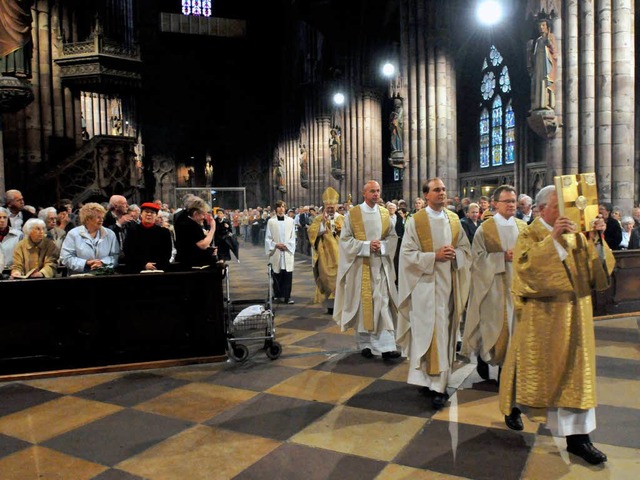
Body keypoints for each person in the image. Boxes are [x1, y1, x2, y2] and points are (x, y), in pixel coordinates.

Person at [499, 185, 615, 465]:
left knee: (576, 377)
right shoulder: (530, 233)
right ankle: (514, 406)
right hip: (545, 319)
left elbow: (598, 275)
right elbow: (525, 276)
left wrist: (595, 237)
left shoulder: (576, 233)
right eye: (557, 207)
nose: (565, 213)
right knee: (536, 376)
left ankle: (579, 439)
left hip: (577, 316)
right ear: (541, 210)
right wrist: (553, 239)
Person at [396, 177, 471, 409]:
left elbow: (465, 250)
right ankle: (427, 379)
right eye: (436, 190)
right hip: (424, 287)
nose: (442, 193)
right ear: (426, 195)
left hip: (448, 286)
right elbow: (407, 255)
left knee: (444, 333)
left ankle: (440, 385)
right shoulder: (415, 221)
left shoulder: (454, 219)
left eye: (444, 189)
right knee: (426, 332)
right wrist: (433, 257)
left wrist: (455, 255)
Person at [461, 185, 527, 383]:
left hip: (517, 286)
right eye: (507, 201)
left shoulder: (523, 227)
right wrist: (501, 257)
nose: (511, 205)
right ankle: (483, 357)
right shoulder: (485, 229)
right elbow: (477, 259)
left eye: (513, 201)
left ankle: (505, 372)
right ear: (495, 204)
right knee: (493, 328)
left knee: (515, 329)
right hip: (492, 287)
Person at [332, 180, 400, 360]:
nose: (376, 194)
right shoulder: (353, 214)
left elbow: (393, 238)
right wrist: (367, 246)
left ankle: (386, 346)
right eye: (372, 191)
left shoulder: (385, 214)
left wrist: (383, 246)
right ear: (364, 194)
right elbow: (345, 240)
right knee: (363, 306)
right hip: (360, 267)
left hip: (380, 267)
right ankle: (365, 344)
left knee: (382, 302)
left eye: (378, 191)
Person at [307, 187, 344, 314]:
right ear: (325, 206)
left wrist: (340, 230)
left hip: (340, 254)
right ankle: (330, 307)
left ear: (336, 206)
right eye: (328, 207)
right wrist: (323, 224)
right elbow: (311, 233)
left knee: (340, 279)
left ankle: (341, 305)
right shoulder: (318, 219)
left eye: (332, 206)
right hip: (325, 254)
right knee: (326, 278)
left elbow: (349, 234)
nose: (330, 209)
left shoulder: (342, 219)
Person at [60, 202, 120, 275]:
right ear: (87, 219)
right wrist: (86, 263)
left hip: (104, 275)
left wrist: (102, 263)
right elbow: (66, 258)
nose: (101, 220)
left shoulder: (110, 234)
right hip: (79, 278)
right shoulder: (73, 234)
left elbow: (115, 256)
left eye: (102, 217)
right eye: (98, 217)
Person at [122, 202, 173, 273]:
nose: (149, 214)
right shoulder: (132, 231)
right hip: (136, 270)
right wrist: (143, 264)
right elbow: (128, 251)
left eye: (152, 212)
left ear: (156, 215)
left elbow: (167, 253)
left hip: (159, 269)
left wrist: (154, 265)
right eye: (146, 212)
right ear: (141, 214)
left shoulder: (164, 232)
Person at [173, 196, 218, 268]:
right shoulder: (190, 225)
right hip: (193, 262)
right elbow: (203, 245)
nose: (204, 217)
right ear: (195, 213)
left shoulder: (181, 217)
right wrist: (213, 228)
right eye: (203, 214)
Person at [266, 200, 296, 304]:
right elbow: (268, 237)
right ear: (276, 209)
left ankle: (287, 296)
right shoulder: (271, 221)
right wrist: (275, 245)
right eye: (279, 207)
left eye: (283, 206)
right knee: (277, 274)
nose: (281, 208)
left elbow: (293, 236)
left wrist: (287, 246)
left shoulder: (290, 221)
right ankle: (278, 295)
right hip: (276, 251)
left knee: (287, 275)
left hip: (287, 251)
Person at [528, 17, 557, 110]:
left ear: (547, 26)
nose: (541, 27)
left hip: (547, 65)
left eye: (543, 25)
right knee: (538, 83)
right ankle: (538, 104)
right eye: (539, 25)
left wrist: (549, 43)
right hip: (539, 65)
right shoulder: (538, 40)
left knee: (546, 83)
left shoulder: (551, 36)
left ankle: (547, 103)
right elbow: (534, 54)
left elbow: (555, 52)